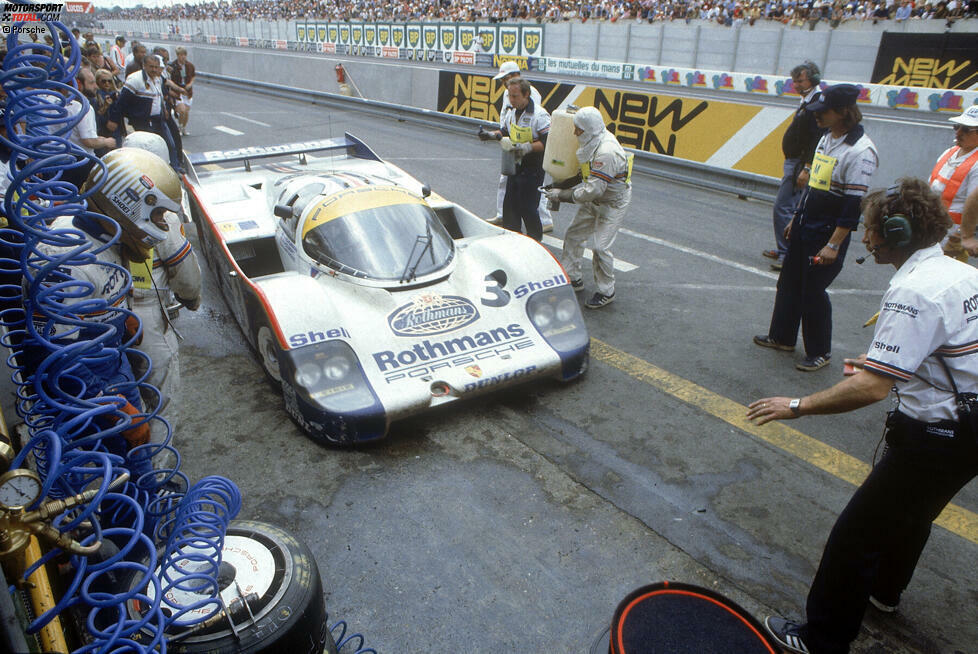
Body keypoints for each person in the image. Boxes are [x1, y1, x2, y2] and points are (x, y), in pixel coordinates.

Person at [747, 177, 978, 654]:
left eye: (871, 229)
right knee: (914, 515)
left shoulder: (913, 292)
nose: (866, 238)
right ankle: (886, 593)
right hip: (969, 430)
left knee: (854, 538)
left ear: (895, 233)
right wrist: (889, 364)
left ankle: (823, 638)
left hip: (935, 437)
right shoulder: (962, 273)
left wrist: (797, 405)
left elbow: (873, 387)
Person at [754, 84, 878, 372]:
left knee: (813, 290)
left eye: (824, 112)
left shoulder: (861, 151)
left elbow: (852, 205)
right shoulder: (826, 139)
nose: (817, 116)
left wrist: (833, 244)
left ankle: (820, 351)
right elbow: (813, 185)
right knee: (788, 282)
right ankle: (782, 336)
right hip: (806, 221)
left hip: (828, 230)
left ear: (843, 113)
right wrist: (796, 217)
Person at [122, 131, 201, 463]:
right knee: (159, 398)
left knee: (121, 398)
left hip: (103, 318)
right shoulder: (162, 214)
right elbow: (187, 278)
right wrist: (191, 300)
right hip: (147, 319)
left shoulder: (96, 200)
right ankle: (156, 477)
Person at [545, 107, 632, 309]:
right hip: (595, 198)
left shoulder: (607, 152)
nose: (575, 133)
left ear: (589, 129)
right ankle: (573, 277)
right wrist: (561, 184)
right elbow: (585, 173)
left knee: (601, 247)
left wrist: (562, 195)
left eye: (578, 130)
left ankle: (606, 290)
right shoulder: (592, 141)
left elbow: (594, 190)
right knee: (574, 234)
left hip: (611, 203)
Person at [764, 61, 823, 271]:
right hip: (795, 161)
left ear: (813, 80)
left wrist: (807, 167)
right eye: (794, 81)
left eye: (800, 81)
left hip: (800, 164)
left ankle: (787, 253)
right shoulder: (807, 100)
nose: (796, 85)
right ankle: (783, 249)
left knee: (783, 207)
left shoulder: (817, 102)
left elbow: (816, 139)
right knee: (789, 207)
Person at [488, 61, 553, 232]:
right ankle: (512, 235)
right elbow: (505, 130)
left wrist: (527, 148)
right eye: (510, 96)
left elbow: (547, 142)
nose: (511, 99)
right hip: (515, 162)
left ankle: (537, 235)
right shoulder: (511, 110)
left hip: (532, 166)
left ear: (526, 95)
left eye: (515, 97)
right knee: (510, 206)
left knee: (528, 207)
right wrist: (490, 135)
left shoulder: (539, 113)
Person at [109, 54, 183, 172]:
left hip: (159, 118)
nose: (154, 70)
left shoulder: (158, 79)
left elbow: (159, 96)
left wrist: (164, 109)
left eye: (156, 67)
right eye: (151, 67)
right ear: (144, 66)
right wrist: (114, 120)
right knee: (149, 149)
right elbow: (122, 102)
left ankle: (175, 168)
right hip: (143, 121)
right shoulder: (135, 80)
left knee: (170, 144)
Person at [929, 104, 978, 258]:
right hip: (932, 227)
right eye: (957, 126)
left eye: (966, 129)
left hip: (952, 236)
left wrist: (964, 235)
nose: (958, 132)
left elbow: (975, 201)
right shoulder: (950, 152)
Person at [168, 47, 196, 136]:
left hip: (188, 92)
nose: (183, 57)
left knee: (186, 112)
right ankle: (179, 127)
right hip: (178, 92)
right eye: (181, 55)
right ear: (177, 55)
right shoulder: (173, 66)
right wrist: (177, 88)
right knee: (182, 111)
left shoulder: (190, 65)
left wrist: (190, 84)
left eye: (184, 55)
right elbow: (169, 79)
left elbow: (193, 76)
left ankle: (184, 127)